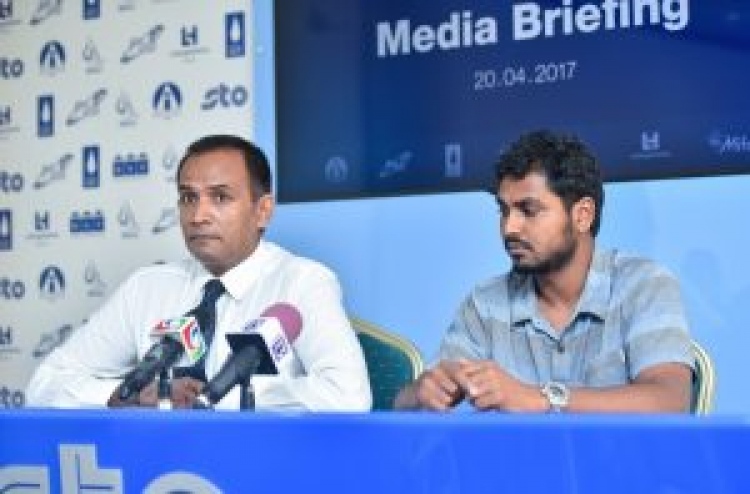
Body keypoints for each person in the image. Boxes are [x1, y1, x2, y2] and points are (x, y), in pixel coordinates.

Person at [26, 134, 372, 411]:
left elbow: (347, 395)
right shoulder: (148, 288)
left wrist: (220, 399)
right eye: (188, 198)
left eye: (220, 198)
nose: (198, 216)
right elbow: (45, 385)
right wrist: (133, 394)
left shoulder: (302, 283)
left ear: (263, 211)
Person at [395, 130, 694, 413]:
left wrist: (541, 398)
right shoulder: (485, 303)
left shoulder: (643, 285)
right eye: (504, 211)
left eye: (529, 210)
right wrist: (423, 392)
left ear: (582, 215)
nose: (509, 228)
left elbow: (670, 401)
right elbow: (403, 403)